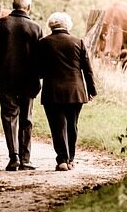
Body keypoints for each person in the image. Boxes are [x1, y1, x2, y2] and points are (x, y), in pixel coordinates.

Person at [0, 0, 43, 171]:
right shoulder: (35, 28)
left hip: (6, 80)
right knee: (26, 119)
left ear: (12, 5)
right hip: (29, 82)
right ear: (29, 8)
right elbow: (40, 59)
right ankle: (26, 159)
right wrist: (39, 78)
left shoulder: (1, 24)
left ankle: (14, 157)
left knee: (9, 117)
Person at [36, 12, 97, 171]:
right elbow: (87, 70)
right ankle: (70, 159)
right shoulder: (78, 42)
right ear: (67, 25)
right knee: (72, 125)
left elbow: (39, 70)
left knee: (57, 126)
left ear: (51, 25)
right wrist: (91, 90)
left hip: (52, 92)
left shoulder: (43, 43)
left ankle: (62, 159)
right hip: (75, 91)